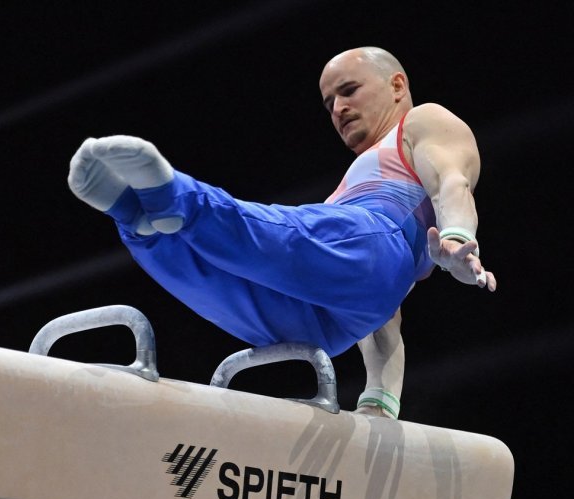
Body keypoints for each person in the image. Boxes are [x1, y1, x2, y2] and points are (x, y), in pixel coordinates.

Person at [67, 46, 496, 420]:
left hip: (379, 245)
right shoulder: (345, 192)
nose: (338, 110)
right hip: (335, 322)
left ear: (397, 86)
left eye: (348, 91)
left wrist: (457, 236)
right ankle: (144, 224)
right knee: (228, 282)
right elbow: (384, 312)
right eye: (329, 103)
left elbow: (451, 182)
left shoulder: (423, 122)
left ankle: (177, 198)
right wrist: (379, 401)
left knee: (283, 232)